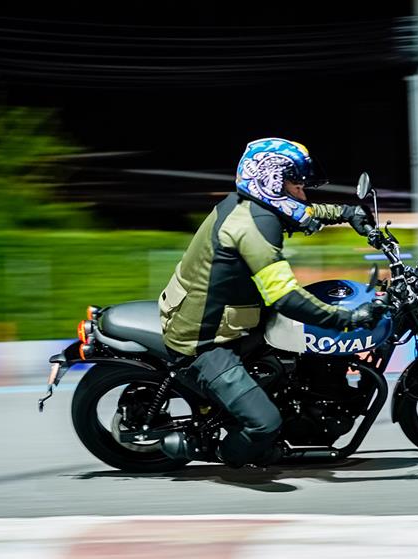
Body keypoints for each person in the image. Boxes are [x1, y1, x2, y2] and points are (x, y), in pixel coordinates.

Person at [159, 137, 382, 467]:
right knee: (265, 426)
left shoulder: (251, 206)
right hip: (203, 340)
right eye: (296, 183)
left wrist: (348, 213)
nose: (302, 192)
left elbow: (305, 211)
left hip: (230, 316)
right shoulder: (253, 227)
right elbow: (285, 297)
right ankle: (219, 453)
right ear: (271, 180)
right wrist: (347, 319)